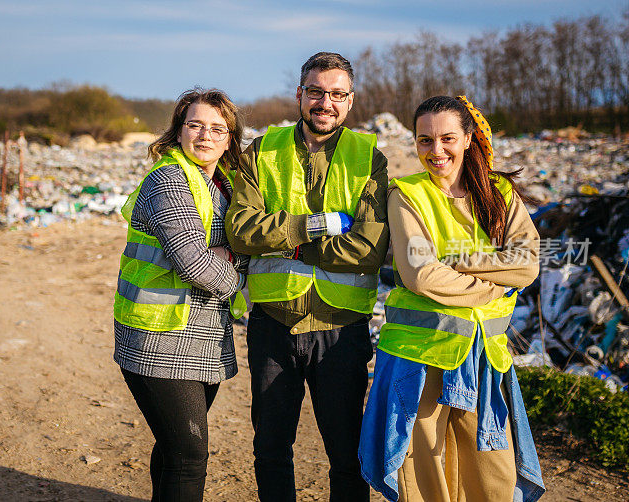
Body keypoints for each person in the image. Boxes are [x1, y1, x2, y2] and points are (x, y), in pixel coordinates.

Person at [359, 95, 545, 502]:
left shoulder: (498, 193)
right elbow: (420, 274)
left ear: (468, 138)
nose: (435, 150)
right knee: (425, 479)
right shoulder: (406, 194)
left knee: (492, 476)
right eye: (424, 140)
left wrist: (458, 261)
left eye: (446, 138)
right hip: (419, 360)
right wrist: (492, 285)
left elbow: (528, 264)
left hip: (484, 358)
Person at [226, 52, 389, 501]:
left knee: (347, 455)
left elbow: (369, 249)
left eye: (337, 94)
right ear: (300, 95)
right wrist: (310, 232)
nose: (325, 102)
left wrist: (281, 237)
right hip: (272, 325)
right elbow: (241, 230)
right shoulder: (262, 150)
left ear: (350, 101)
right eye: (316, 91)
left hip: (342, 330)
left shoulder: (368, 158)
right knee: (271, 448)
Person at [113, 88, 248, 502]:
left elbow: (240, 247)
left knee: (174, 449)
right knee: (190, 455)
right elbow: (192, 262)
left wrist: (230, 255)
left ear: (229, 139)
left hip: (201, 337)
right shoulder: (170, 181)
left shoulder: (220, 184)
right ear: (178, 130)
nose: (205, 136)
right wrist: (239, 279)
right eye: (195, 125)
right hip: (159, 336)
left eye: (217, 128)